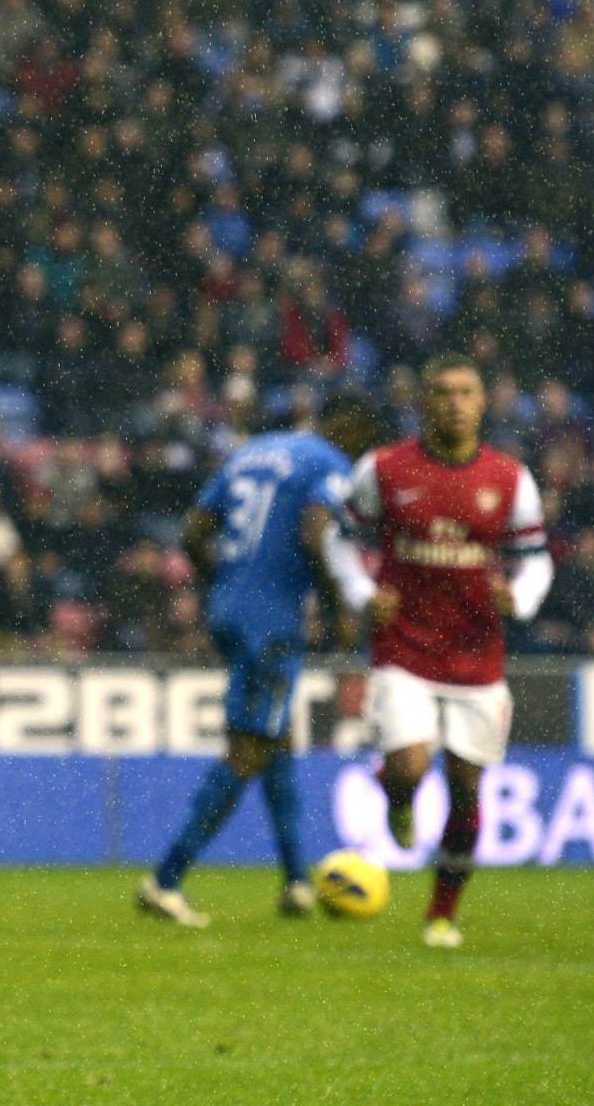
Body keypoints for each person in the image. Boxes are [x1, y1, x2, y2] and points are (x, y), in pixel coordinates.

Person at [137, 392, 382, 928]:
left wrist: (223, 586)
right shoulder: (331, 465)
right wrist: (338, 607)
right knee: (247, 750)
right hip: (272, 619)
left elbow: (192, 533)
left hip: (229, 609)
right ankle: (165, 880)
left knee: (276, 741)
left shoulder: (253, 451)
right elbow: (315, 530)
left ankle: (296, 881)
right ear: (358, 436)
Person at [337, 355, 555, 948]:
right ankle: (398, 796)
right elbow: (342, 539)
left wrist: (522, 598)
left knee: (466, 788)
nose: (455, 403)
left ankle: (440, 915)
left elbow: (536, 558)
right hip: (403, 648)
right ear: (423, 403)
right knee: (410, 763)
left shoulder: (510, 479)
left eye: (466, 392)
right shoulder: (383, 469)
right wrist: (362, 592)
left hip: (477, 657)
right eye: (443, 393)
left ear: (483, 403)